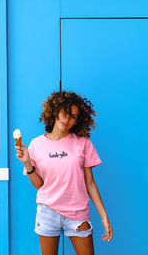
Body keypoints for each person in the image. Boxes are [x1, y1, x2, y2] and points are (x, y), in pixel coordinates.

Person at [15, 91, 113, 255]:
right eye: (65, 113)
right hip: (47, 212)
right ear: (55, 111)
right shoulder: (36, 144)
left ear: (77, 121)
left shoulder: (83, 143)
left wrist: (104, 215)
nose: (67, 119)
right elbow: (39, 184)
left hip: (77, 213)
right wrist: (27, 163)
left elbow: (90, 183)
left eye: (73, 116)